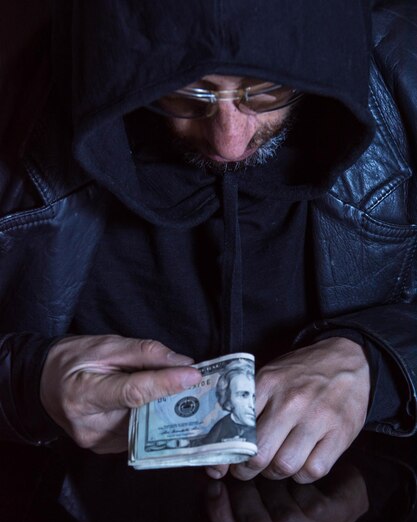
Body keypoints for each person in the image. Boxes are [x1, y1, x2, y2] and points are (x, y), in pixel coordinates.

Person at [1, 0, 416, 484]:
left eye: (267, 89)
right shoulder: (16, 86)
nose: (229, 143)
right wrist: (30, 381)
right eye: (186, 93)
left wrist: (378, 364)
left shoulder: (405, 70)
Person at [202, 361, 256, 445]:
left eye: (254, 396)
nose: (252, 405)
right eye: (244, 395)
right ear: (228, 400)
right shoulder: (218, 430)